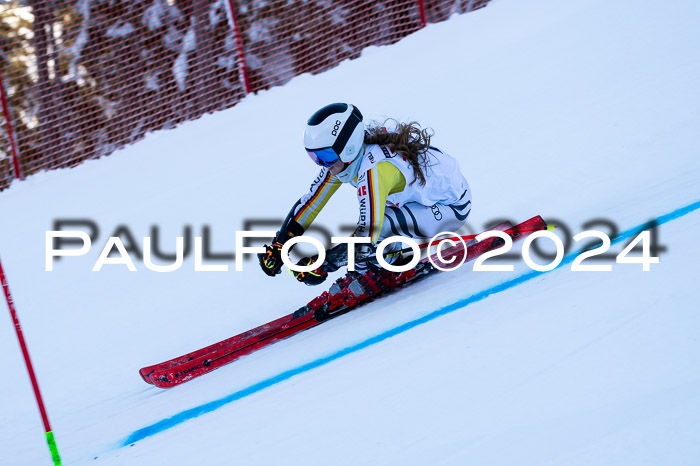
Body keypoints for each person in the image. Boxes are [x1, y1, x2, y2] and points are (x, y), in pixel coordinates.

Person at [258, 103, 471, 296]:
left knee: (379, 225)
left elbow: (368, 234)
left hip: (450, 208)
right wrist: (280, 245)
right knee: (376, 217)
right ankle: (381, 265)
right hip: (417, 202)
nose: (323, 164)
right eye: (315, 158)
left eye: (325, 156)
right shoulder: (345, 159)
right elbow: (312, 202)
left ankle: (378, 272)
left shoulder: (374, 170)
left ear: (347, 147)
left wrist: (324, 264)